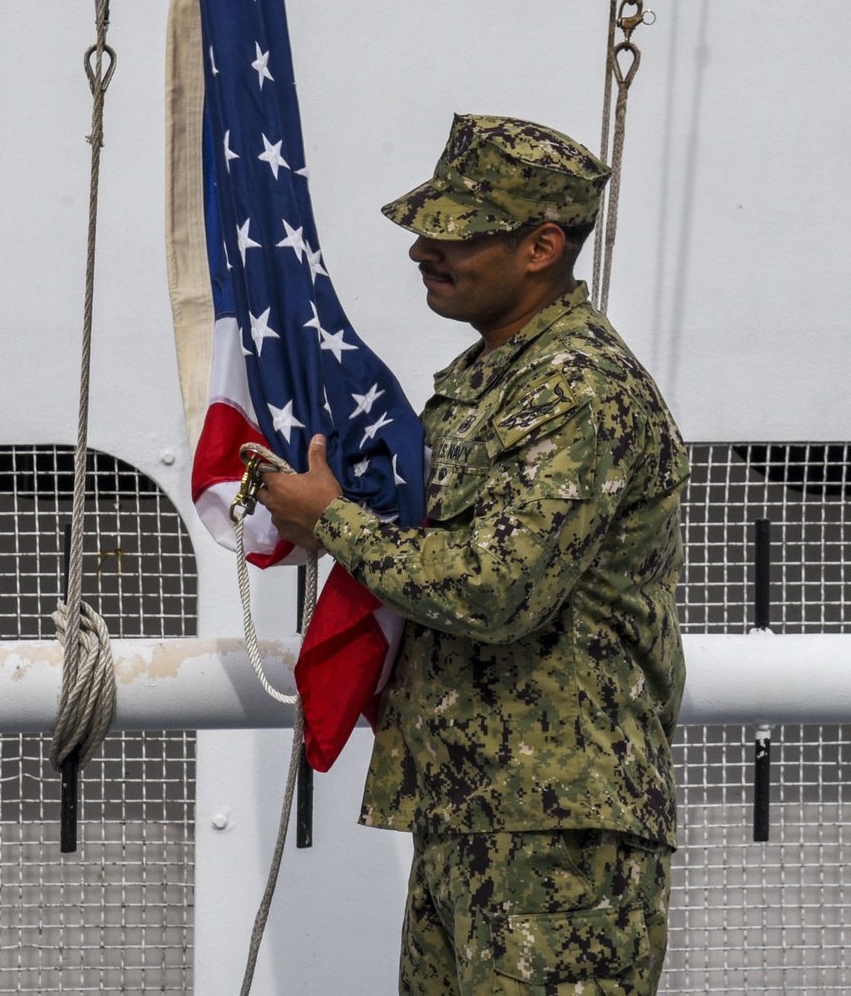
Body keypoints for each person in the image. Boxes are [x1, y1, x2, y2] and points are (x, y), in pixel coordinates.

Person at [258, 114, 689, 996]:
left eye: (455, 231)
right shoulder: (486, 384)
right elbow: (435, 547)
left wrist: (337, 522)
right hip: (475, 814)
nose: (422, 248)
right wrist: (320, 511)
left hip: (559, 841)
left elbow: (497, 590)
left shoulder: (579, 389)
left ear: (540, 245)